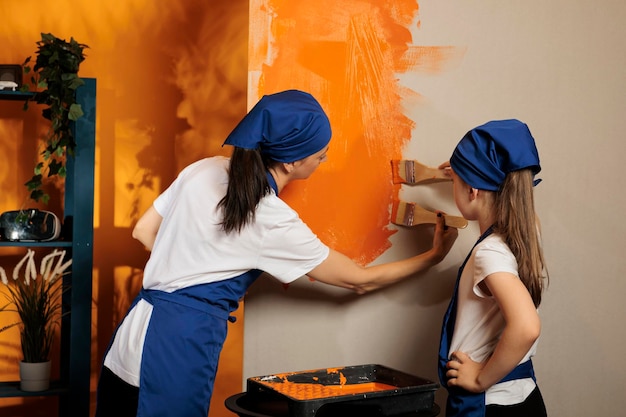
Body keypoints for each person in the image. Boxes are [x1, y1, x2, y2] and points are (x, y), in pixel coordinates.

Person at [95, 89, 458, 417]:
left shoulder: (203, 169)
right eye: (320, 154)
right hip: (178, 342)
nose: (324, 159)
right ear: (290, 164)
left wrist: (188, 259)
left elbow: (143, 231)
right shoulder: (269, 217)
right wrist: (433, 257)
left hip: (136, 330)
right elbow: (358, 281)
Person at [437, 119, 549, 417]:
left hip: (489, 403)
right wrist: (465, 171)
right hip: (523, 398)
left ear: (473, 190)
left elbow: (526, 327)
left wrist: (479, 378)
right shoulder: (527, 232)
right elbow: (515, 190)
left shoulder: (489, 252)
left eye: (454, 184)